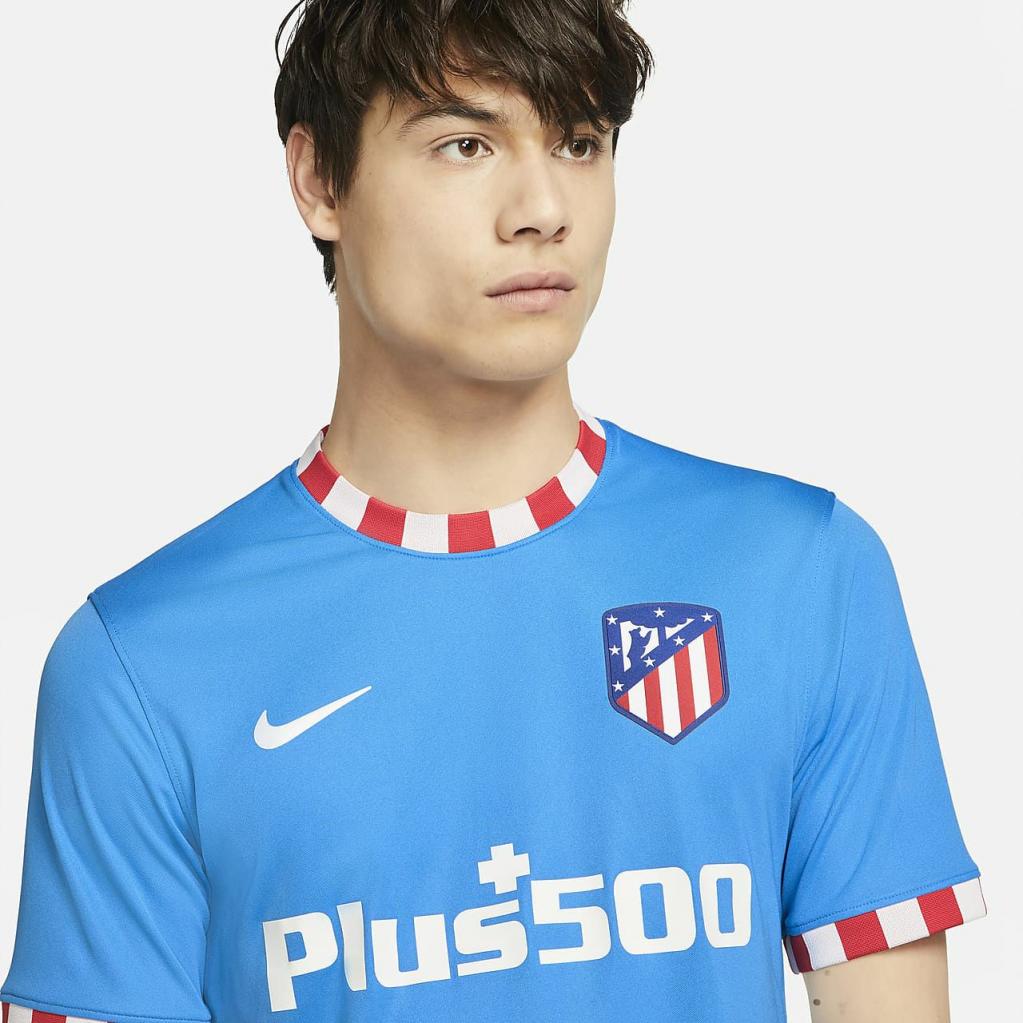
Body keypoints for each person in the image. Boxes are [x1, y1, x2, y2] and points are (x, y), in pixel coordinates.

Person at [0, 2, 985, 1021]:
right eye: (466, 144)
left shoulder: (802, 574)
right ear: (319, 180)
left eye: (579, 142)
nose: (543, 207)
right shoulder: (141, 666)